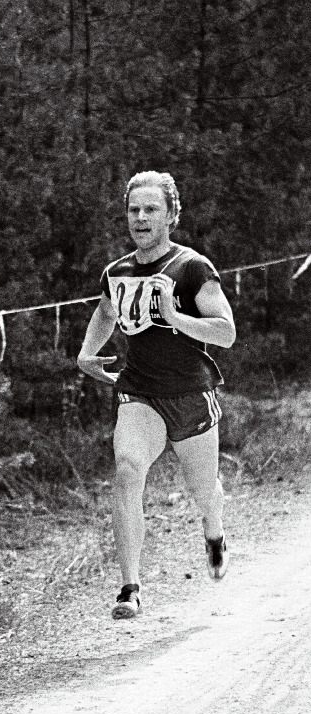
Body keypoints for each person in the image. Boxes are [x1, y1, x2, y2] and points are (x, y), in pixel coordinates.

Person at [77, 171, 236, 620]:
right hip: (140, 393)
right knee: (127, 470)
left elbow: (225, 332)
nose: (141, 218)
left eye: (151, 210)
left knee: (203, 490)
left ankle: (215, 529)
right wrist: (88, 353)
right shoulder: (117, 272)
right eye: (134, 210)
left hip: (190, 394)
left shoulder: (192, 268)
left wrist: (173, 315)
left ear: (170, 215)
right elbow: (106, 311)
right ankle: (130, 588)